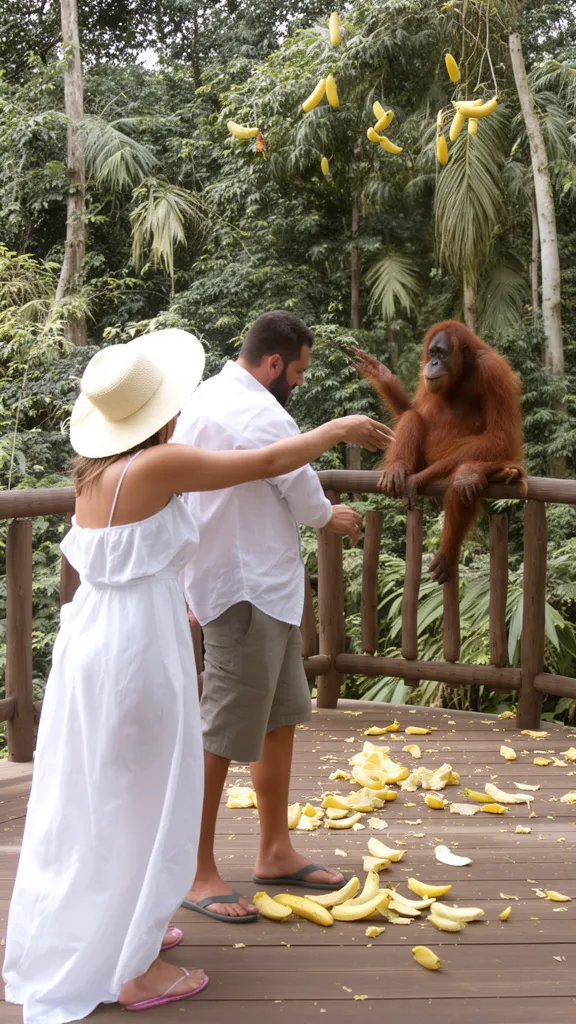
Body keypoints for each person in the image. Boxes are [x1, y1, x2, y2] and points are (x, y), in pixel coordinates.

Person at [3, 327, 392, 1024]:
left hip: (102, 637)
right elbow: (266, 461)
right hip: (130, 648)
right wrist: (334, 429)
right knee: (144, 794)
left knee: (108, 793)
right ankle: (135, 971)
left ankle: (125, 932)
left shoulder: (96, 472)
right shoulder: (155, 468)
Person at [173, 310, 381, 923]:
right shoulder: (261, 412)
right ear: (272, 365)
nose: (298, 381)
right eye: (297, 371)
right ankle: (196, 867)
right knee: (223, 732)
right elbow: (295, 483)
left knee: (277, 718)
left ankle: (274, 849)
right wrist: (329, 518)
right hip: (246, 588)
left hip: (255, 583)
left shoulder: (207, 395)